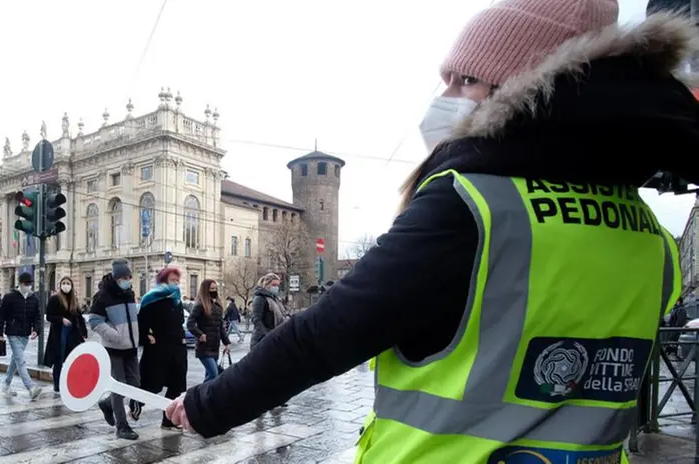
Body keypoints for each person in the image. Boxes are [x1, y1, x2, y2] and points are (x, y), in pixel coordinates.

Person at [165, 2, 697, 462]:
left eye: (465, 79)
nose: (446, 95)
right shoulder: (648, 232)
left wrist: (208, 404)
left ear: (525, 85)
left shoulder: (473, 204)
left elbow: (325, 335)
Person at [88, 259, 141, 440]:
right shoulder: (103, 295)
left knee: (134, 384)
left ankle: (107, 403)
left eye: (129, 277)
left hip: (131, 347)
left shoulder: (129, 293)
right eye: (125, 277)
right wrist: (114, 335)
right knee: (119, 386)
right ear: (117, 277)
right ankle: (122, 426)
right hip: (114, 348)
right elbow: (94, 320)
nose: (128, 280)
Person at [130, 267, 187, 429]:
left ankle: (168, 420)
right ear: (163, 281)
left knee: (177, 386)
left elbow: (179, 321)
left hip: (177, 348)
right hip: (158, 350)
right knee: (153, 384)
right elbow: (141, 323)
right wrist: (147, 337)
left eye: (177, 280)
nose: (176, 284)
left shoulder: (177, 299)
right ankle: (136, 402)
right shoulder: (151, 298)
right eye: (172, 280)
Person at [0, 272, 42, 400]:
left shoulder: (34, 298)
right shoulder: (10, 297)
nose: (28, 286)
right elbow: (1, 315)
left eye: (30, 283)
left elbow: (38, 317)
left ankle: (6, 384)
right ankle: (30, 387)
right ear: (20, 284)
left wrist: (36, 330)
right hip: (12, 332)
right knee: (20, 360)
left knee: (15, 360)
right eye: (26, 284)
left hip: (25, 334)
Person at [43, 277, 87, 395]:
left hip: (72, 333)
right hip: (59, 332)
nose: (66, 285)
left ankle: (70, 383)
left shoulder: (74, 300)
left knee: (72, 358)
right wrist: (61, 319)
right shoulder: (54, 299)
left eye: (68, 283)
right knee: (59, 358)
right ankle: (57, 385)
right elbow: (49, 316)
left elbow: (79, 317)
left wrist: (84, 332)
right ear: (60, 285)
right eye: (64, 283)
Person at [186, 280, 231, 383]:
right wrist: (200, 334)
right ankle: (199, 395)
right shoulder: (200, 305)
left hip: (215, 346)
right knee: (213, 375)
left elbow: (220, 327)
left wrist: (227, 343)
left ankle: (206, 397)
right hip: (204, 347)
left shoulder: (217, 306)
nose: (214, 290)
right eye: (211, 289)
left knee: (211, 377)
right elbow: (190, 323)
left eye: (215, 288)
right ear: (205, 290)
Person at [250, 274, 287, 349]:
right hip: (262, 340)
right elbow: (256, 319)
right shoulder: (260, 298)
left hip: (274, 337)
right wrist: (266, 335)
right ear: (266, 284)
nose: (276, 287)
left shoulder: (276, 299)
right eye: (274, 285)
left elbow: (284, 314)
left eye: (277, 285)